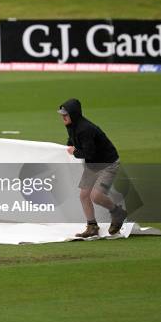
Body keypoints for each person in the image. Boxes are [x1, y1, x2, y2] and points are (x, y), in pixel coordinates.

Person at [58, 98, 127, 238]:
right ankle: (92, 226)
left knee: (96, 196)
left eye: (65, 115)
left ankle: (117, 213)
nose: (63, 117)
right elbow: (72, 140)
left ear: (74, 114)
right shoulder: (72, 125)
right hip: (93, 164)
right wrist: (68, 146)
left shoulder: (85, 129)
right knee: (84, 195)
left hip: (108, 164)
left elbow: (88, 152)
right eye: (61, 115)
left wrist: (74, 152)